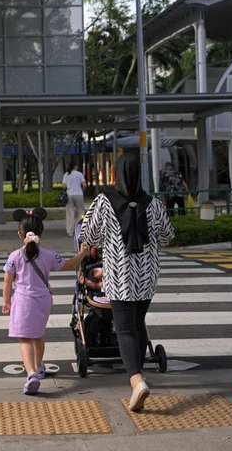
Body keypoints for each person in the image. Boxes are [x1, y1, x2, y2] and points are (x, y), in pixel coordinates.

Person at [80, 154, 175, 411]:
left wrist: (106, 236)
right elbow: (167, 236)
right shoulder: (153, 204)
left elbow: (87, 234)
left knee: (123, 329)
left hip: (119, 275)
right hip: (147, 275)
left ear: (117, 174)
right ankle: (139, 376)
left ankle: (136, 381)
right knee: (137, 323)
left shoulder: (104, 201)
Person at [2, 207, 87, 395]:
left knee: (24, 338)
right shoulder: (48, 255)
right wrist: (82, 253)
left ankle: (31, 372)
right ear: (42, 233)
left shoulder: (15, 256)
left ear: (19, 234)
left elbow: (8, 281)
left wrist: (6, 302)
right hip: (43, 300)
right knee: (38, 335)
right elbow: (69, 264)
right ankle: (39, 367)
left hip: (23, 300)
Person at [62, 162, 88, 236]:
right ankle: (79, 227)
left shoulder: (66, 174)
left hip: (69, 195)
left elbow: (64, 186)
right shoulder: (79, 174)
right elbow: (84, 185)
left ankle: (70, 231)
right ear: (75, 166)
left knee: (70, 213)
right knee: (81, 211)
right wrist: (82, 190)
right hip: (79, 194)